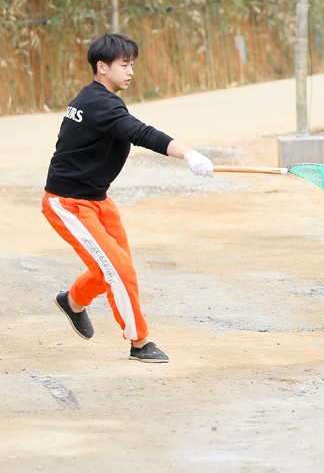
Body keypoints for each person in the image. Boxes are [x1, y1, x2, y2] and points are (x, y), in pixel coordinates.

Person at [42, 33, 215, 363]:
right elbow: (142, 133)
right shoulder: (100, 104)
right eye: (124, 65)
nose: (131, 71)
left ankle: (73, 301)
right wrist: (188, 154)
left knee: (116, 266)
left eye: (132, 64)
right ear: (102, 67)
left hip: (97, 200)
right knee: (117, 268)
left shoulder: (97, 97)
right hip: (68, 203)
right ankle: (139, 342)